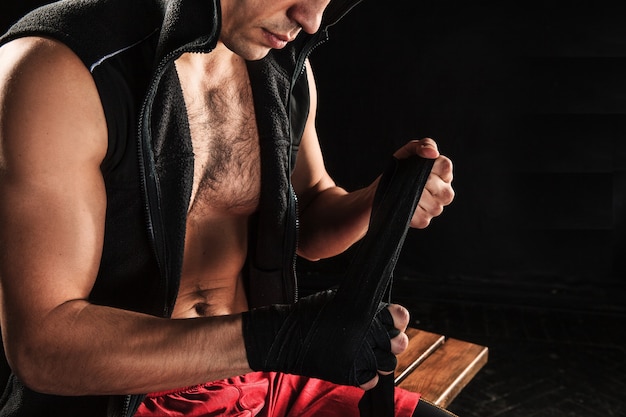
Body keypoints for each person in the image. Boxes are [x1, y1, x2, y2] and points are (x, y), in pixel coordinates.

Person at [0, 0, 455, 416]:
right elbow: (43, 347)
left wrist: (379, 201)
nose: (312, 19)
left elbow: (310, 215)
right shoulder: (57, 68)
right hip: (122, 398)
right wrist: (284, 337)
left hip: (267, 377)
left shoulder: (276, 61)